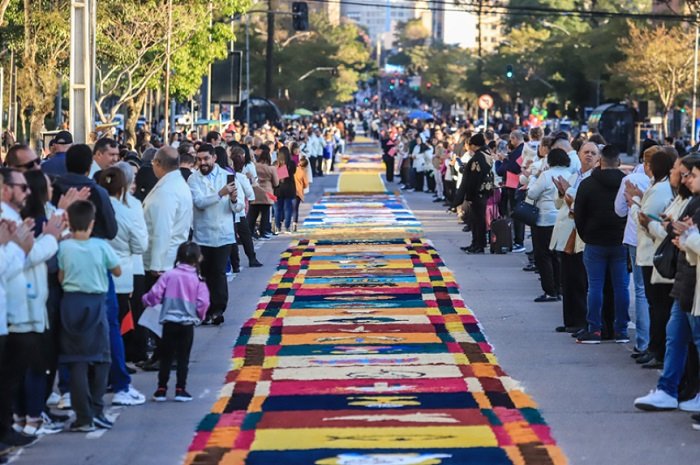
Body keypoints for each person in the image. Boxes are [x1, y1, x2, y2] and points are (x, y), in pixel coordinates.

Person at [634, 153, 700, 411]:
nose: (685, 179)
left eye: (690, 175)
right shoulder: (688, 200)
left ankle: (679, 390)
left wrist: (685, 237)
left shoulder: (693, 202)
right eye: (682, 174)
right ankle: (667, 389)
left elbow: (691, 238)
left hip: (692, 281)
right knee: (675, 337)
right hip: (685, 280)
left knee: (693, 339)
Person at [57, 200, 121, 431]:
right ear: (92, 223)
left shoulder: (64, 247)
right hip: (96, 302)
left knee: (77, 361)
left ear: (69, 223)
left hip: (71, 303)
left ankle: (83, 417)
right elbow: (117, 270)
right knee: (102, 356)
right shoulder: (101, 246)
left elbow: (61, 277)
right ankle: (96, 408)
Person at [574, 145, 630, 344]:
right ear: (619, 162)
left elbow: (579, 214)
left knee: (594, 286)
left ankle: (595, 329)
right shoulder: (626, 183)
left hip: (594, 240)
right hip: (620, 241)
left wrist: (585, 235)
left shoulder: (587, 184)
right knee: (621, 287)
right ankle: (621, 330)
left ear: (600, 161)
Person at [628, 147, 677, 368]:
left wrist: (633, 202)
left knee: (659, 306)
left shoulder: (660, 190)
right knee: (654, 305)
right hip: (651, 252)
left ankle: (658, 350)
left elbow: (644, 220)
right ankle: (653, 348)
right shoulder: (657, 187)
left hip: (654, 254)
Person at [142, 242, 209, 403]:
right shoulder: (197, 279)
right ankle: (180, 389)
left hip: (169, 322)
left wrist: (146, 301)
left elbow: (155, 294)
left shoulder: (169, 275)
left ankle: (161, 389)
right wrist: (199, 316)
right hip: (187, 324)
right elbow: (203, 302)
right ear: (198, 258)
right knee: (183, 357)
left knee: (166, 356)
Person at [188, 143, 243, 325]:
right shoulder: (193, 179)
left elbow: (238, 207)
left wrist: (233, 199)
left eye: (206, 159)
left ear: (214, 158)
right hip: (203, 236)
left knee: (218, 273)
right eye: (199, 159)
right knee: (204, 274)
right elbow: (199, 202)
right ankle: (205, 309)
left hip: (223, 235)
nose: (203, 163)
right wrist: (220, 194)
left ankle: (218, 310)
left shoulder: (227, 176)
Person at [98, 166, 148, 363]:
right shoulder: (129, 208)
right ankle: (121, 361)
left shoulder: (95, 206)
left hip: (98, 272)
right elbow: (140, 245)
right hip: (125, 271)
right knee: (121, 322)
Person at [550, 142, 600, 333]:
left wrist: (569, 192)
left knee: (579, 279)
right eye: (586, 152)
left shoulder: (593, 179)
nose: (589, 155)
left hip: (580, 234)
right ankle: (569, 320)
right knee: (568, 278)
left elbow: (581, 203)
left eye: (593, 153)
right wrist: (561, 191)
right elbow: (558, 204)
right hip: (565, 231)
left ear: (598, 158)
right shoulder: (574, 175)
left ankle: (580, 321)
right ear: (578, 154)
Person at [614, 142, 656, 358]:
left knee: (641, 290)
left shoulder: (632, 180)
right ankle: (650, 343)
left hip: (637, 238)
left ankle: (644, 342)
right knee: (654, 293)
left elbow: (620, 210)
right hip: (653, 241)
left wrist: (634, 201)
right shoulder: (667, 185)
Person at [527, 148, 571, 302]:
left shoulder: (546, 175)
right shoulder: (570, 174)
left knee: (543, 255)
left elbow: (532, 193)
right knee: (558, 256)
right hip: (562, 219)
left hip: (544, 220)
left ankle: (549, 290)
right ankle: (560, 287)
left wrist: (534, 178)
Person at [455, 133, 493, 254]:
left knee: (477, 221)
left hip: (477, 193)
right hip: (484, 192)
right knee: (478, 220)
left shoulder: (478, 158)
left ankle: (478, 245)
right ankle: (476, 243)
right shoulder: (486, 154)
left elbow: (474, 179)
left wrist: (469, 195)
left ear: (475, 145)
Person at [229, 147, 262, 271]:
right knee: (245, 236)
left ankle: (235, 264)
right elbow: (250, 193)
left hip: (229, 212)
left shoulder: (226, 176)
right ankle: (251, 258)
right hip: (239, 210)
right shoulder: (240, 177)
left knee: (232, 237)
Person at [496, 130, 526, 252]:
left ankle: (519, 241)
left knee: (517, 214)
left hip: (516, 185)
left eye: (511, 139)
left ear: (515, 138)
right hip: (512, 184)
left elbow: (515, 168)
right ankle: (517, 240)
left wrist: (505, 159)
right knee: (514, 213)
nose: (510, 142)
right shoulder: (519, 150)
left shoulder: (521, 150)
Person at [249, 146, 278, 239]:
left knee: (253, 214)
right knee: (265, 214)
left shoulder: (254, 166)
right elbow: (276, 183)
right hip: (267, 193)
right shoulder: (271, 168)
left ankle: (250, 232)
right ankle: (264, 232)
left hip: (255, 192)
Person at [274, 147, 297, 234]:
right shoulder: (291, 163)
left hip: (278, 188)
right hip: (289, 188)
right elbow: (294, 172)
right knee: (288, 208)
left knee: (278, 209)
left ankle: (278, 227)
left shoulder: (276, 164)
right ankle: (287, 227)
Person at [293, 156, 310, 232]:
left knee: (288, 208)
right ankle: (294, 224)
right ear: (305, 166)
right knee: (295, 209)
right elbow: (306, 184)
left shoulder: (293, 169)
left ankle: (281, 223)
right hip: (298, 192)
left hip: (290, 190)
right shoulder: (303, 173)